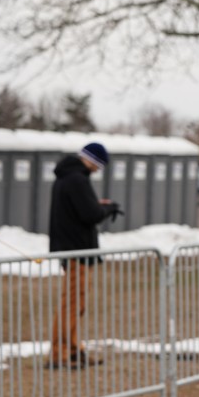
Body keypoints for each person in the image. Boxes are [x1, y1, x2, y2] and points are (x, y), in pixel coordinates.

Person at [48, 142, 120, 369]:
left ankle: (71, 349)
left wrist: (98, 206)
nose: (98, 170)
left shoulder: (67, 176)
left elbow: (81, 209)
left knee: (75, 303)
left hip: (72, 248)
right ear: (91, 160)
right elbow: (90, 214)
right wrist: (108, 208)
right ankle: (61, 353)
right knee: (71, 304)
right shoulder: (77, 179)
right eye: (99, 165)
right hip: (77, 250)